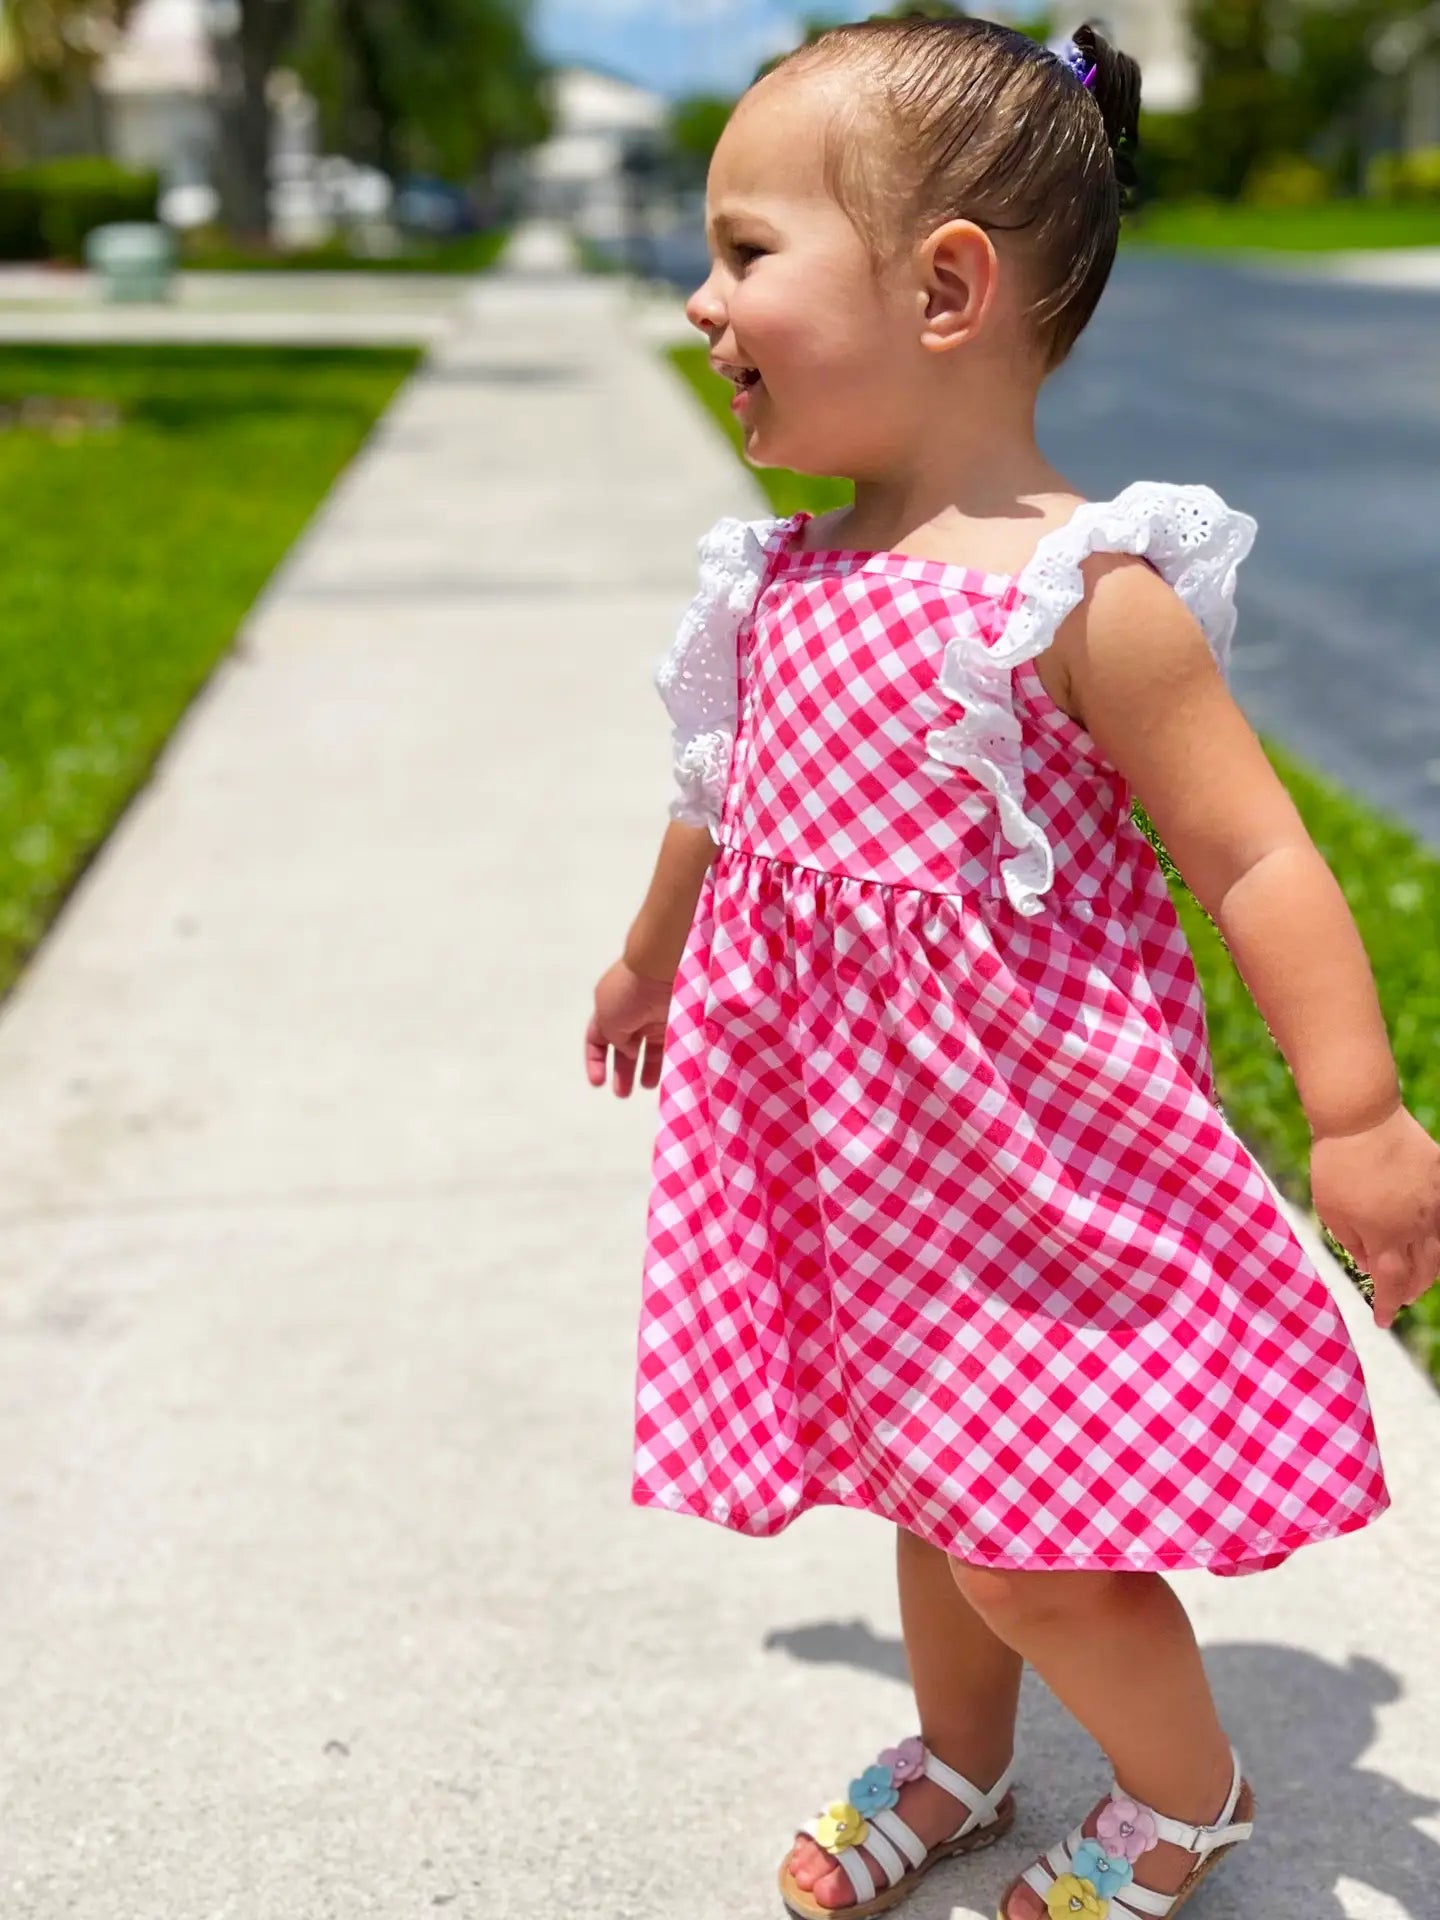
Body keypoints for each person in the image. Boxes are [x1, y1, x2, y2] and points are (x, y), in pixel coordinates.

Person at [585, 16, 1440, 1920]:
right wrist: (650, 960)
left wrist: (1361, 1109)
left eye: (745, 252)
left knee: (1032, 1544)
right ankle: (965, 1758)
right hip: (849, 1164)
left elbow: (1259, 856)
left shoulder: (1080, 597)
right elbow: (718, 799)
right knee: (922, 1481)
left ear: (947, 284)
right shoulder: (781, 578)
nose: (701, 298)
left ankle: (1183, 1794)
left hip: (1028, 1171)